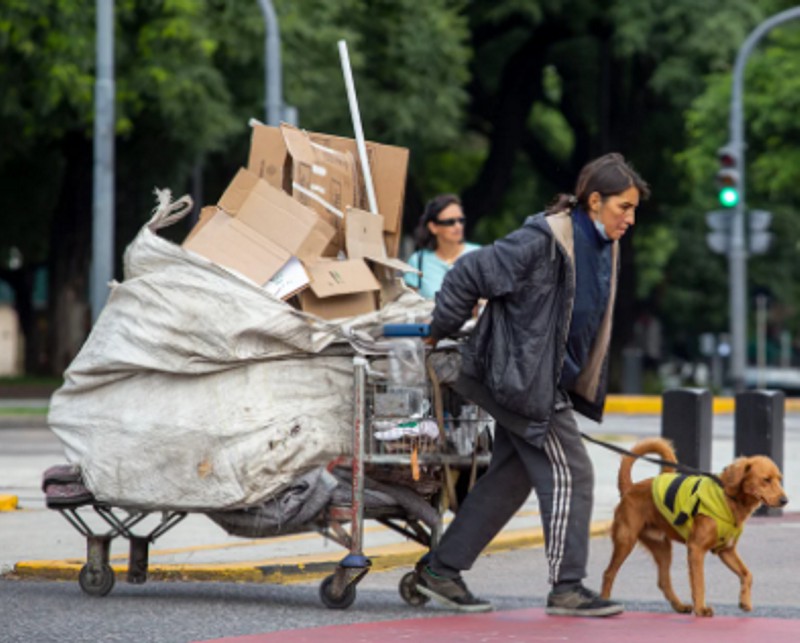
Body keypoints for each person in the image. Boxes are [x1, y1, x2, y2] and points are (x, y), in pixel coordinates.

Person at [411, 153, 650, 617]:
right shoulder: (544, 239)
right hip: (520, 380)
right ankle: (567, 588)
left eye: (634, 209)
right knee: (573, 473)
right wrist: (441, 329)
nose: (631, 218)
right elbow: (469, 273)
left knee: (510, 477)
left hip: (539, 379)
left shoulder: (603, 244)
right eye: (624, 207)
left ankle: (440, 572)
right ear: (595, 201)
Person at [404, 194, 480, 300]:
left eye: (461, 220)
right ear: (433, 227)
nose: (458, 226)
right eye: (450, 222)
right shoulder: (418, 261)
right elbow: (409, 305)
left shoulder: (479, 256)